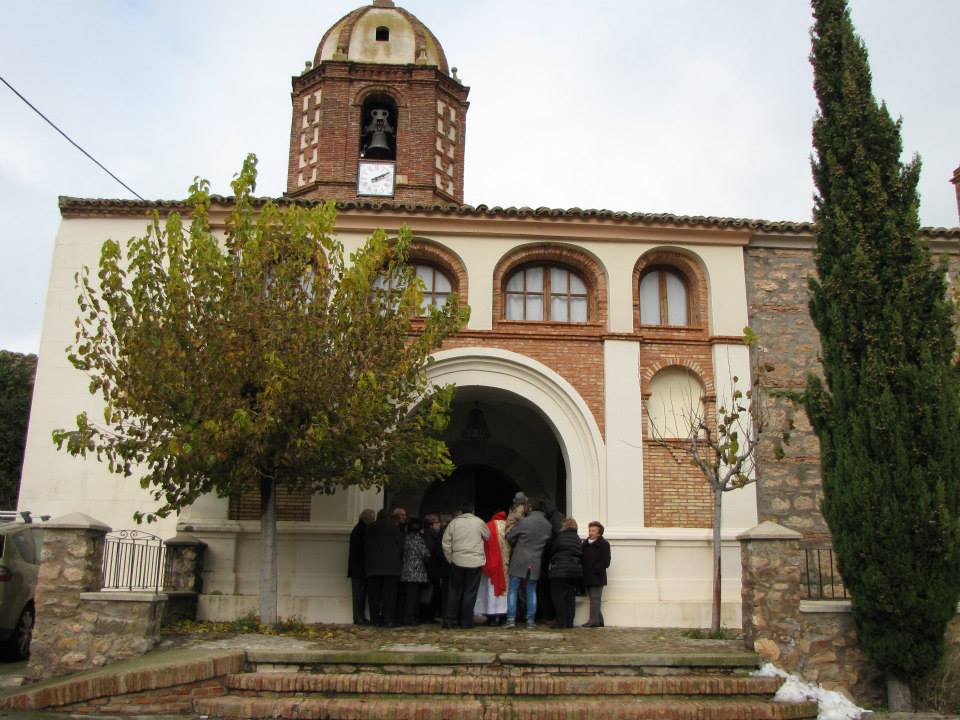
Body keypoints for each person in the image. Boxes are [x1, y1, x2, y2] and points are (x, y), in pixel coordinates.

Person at [504, 498, 553, 628]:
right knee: (531, 590)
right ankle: (530, 621)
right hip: (536, 559)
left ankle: (510, 619)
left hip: (519, 558)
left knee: (513, 589)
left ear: (531, 508)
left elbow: (510, 537)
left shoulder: (524, 522)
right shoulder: (547, 525)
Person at [441, 502, 489, 629]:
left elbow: (445, 543)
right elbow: (487, 536)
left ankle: (450, 620)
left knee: (454, 591)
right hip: (475, 561)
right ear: (473, 511)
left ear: (461, 512)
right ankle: (466, 622)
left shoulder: (454, 523)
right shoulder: (479, 522)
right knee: (470, 592)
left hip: (458, 560)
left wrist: (450, 558)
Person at [365, 508, 403, 627]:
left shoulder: (370, 528)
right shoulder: (394, 528)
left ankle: (375, 619)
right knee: (389, 596)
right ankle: (388, 619)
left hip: (373, 568)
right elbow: (401, 546)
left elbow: (365, 546)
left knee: (374, 595)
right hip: (391, 568)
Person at [475, 510, 509, 625]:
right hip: (506, 563)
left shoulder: (488, 525)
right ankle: (504, 616)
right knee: (505, 591)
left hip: (490, 562)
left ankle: (491, 617)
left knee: (490, 590)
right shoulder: (508, 526)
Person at [547, 517, 583, 628]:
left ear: (565, 526)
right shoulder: (577, 538)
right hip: (574, 571)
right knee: (570, 597)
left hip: (559, 570)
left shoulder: (560, 537)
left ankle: (561, 622)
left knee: (558, 597)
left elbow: (552, 550)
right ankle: (569, 622)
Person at [347, 508, 376, 625]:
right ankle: (358, 618)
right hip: (359, 569)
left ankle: (360, 617)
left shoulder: (360, 530)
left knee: (360, 595)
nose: (373, 521)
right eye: (372, 519)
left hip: (359, 569)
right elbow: (360, 551)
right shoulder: (361, 531)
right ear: (366, 519)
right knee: (359, 595)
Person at [400, 517, 430, 625]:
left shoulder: (405, 538)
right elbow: (425, 554)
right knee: (413, 597)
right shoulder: (417, 539)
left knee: (407, 596)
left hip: (405, 570)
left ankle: (405, 617)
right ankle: (410, 618)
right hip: (416, 571)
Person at [581, 520, 611, 628]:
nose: (590, 532)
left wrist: (595, 570)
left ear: (599, 533)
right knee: (593, 599)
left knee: (595, 599)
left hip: (597, 577)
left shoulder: (604, 544)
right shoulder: (585, 544)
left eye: (593, 530)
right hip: (587, 576)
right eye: (590, 530)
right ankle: (599, 620)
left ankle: (593, 621)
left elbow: (606, 562)